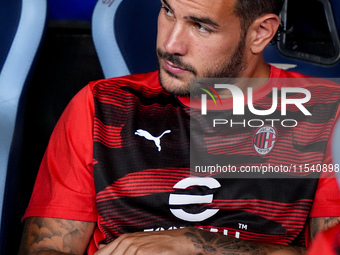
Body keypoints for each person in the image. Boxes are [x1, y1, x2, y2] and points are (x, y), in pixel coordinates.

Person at [19, 0, 340, 254]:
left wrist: (192, 244)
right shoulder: (100, 103)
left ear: (260, 33)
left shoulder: (327, 114)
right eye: (168, 11)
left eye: (201, 27)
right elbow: (46, 249)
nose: (171, 44)